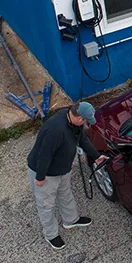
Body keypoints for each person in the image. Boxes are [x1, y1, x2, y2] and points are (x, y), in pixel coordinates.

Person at [27, 101, 107, 250]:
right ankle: (51, 234)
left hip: (62, 169)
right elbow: (44, 155)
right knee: (46, 204)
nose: (85, 124)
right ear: (79, 118)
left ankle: (71, 220)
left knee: (65, 193)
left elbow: (82, 139)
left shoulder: (74, 122)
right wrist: (40, 177)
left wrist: (96, 156)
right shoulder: (56, 130)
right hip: (46, 172)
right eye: (85, 121)